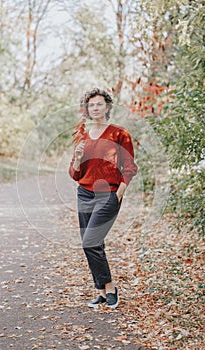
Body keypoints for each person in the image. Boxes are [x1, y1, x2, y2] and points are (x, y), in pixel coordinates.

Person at [69, 87, 137, 308]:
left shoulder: (119, 134)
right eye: (91, 105)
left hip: (108, 194)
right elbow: (75, 173)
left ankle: (111, 287)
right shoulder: (83, 136)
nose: (95, 108)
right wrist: (78, 158)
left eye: (99, 104)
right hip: (85, 193)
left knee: (91, 241)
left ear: (107, 107)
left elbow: (129, 167)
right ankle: (100, 291)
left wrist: (119, 194)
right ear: (87, 109)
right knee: (92, 243)